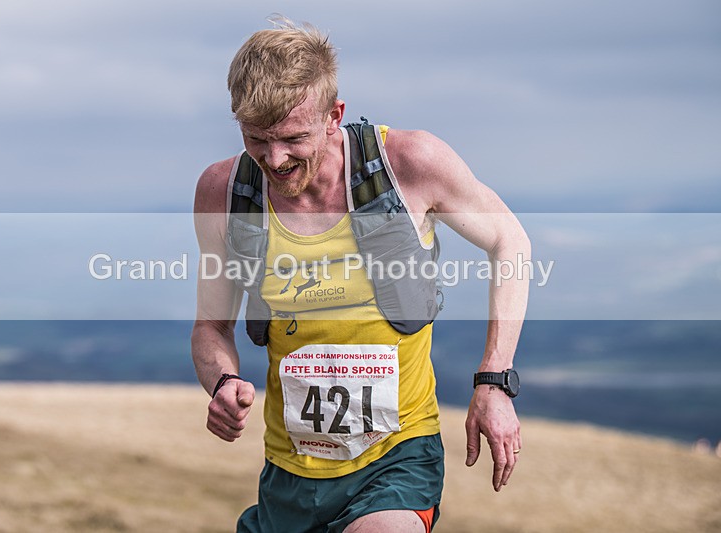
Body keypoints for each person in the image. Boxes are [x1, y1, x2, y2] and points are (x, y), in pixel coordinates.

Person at [191, 18, 530, 533]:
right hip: (289, 477)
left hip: (397, 460)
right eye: (256, 138)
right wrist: (223, 381)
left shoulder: (409, 165)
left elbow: (510, 241)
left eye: (292, 138)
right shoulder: (225, 194)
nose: (274, 159)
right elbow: (211, 327)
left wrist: (495, 381)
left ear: (334, 116)